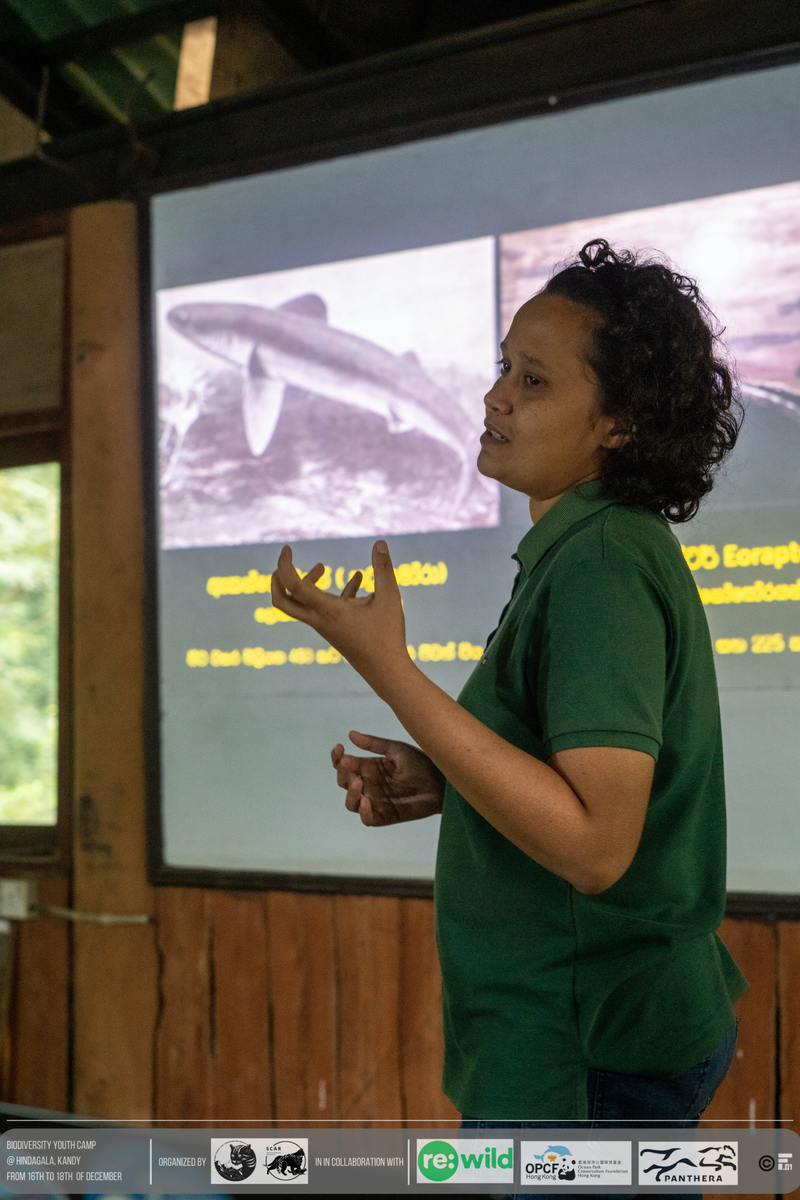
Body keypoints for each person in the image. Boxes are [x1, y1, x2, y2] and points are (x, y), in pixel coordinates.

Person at [270, 240, 748, 1155]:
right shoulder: (586, 550)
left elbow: (597, 848)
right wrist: (451, 781)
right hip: (581, 1047)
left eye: (533, 381)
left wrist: (390, 668)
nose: (495, 397)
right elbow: (577, 795)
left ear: (618, 423)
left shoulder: (604, 562)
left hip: (587, 1061)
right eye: (503, 369)